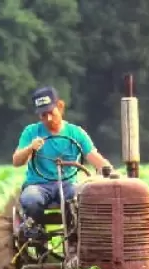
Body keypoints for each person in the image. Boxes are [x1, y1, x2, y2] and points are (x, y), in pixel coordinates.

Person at [11, 86, 114, 240]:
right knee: (31, 199)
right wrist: (30, 149)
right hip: (38, 185)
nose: (48, 119)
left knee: (79, 197)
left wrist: (110, 171)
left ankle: (74, 236)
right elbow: (17, 161)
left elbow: (94, 157)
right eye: (43, 115)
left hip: (67, 184)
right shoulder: (31, 132)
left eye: (51, 113)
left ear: (60, 106)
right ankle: (37, 234)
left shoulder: (76, 132)